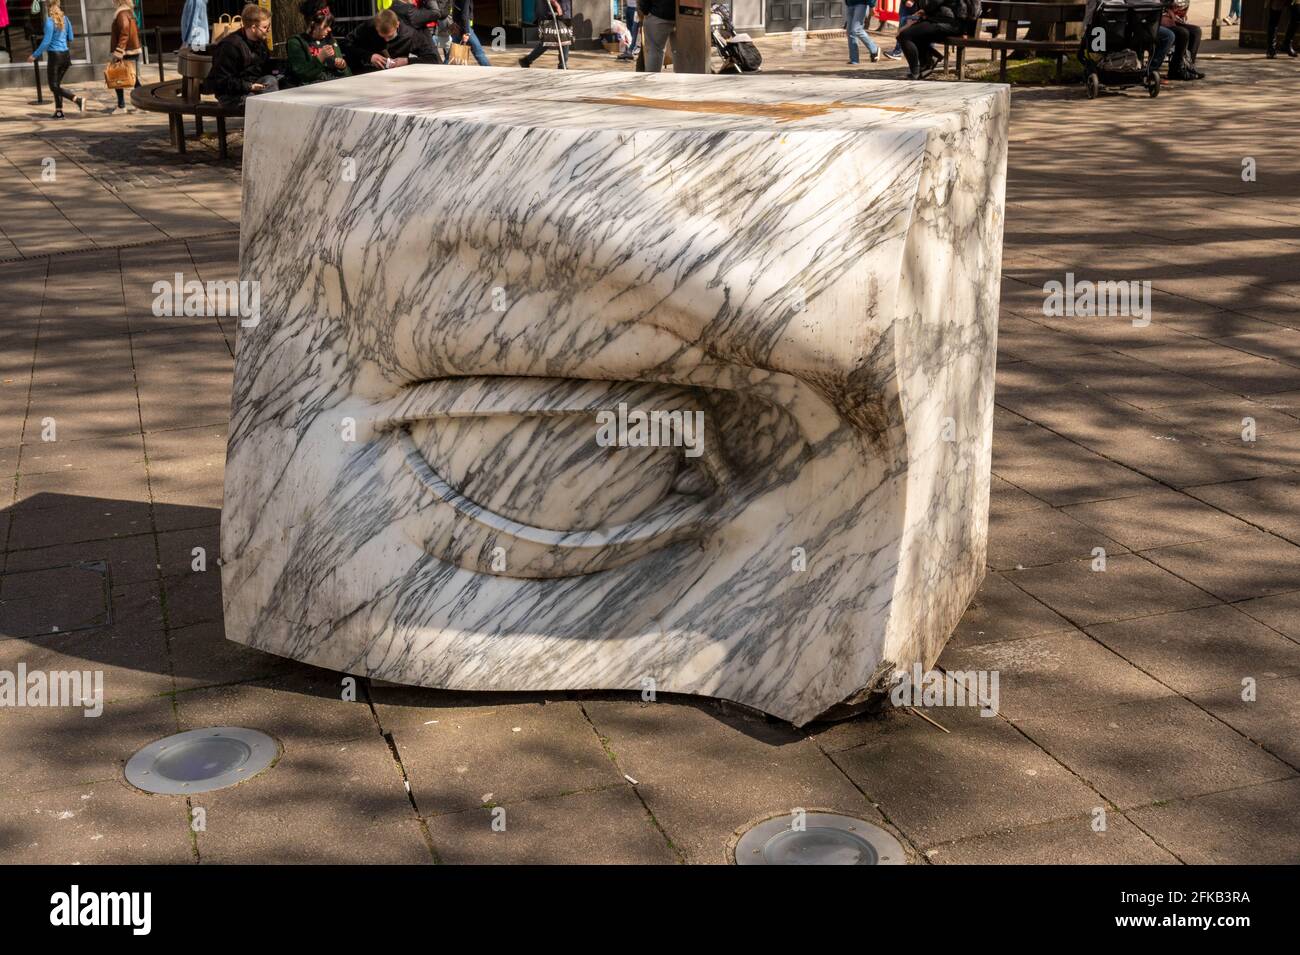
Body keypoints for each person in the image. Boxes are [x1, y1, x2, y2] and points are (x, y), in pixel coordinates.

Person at [202, 4, 278, 108]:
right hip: (231, 96)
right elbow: (221, 81)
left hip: (253, 88)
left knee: (283, 83)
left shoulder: (260, 42)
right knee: (271, 84)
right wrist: (249, 86)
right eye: (265, 27)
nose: (268, 30)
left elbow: (263, 67)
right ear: (253, 28)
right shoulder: (230, 46)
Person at [30, 0, 83, 118]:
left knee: (53, 86)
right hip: (66, 56)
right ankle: (59, 111)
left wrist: (35, 55)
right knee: (57, 85)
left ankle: (77, 99)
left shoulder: (49, 21)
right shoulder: (66, 19)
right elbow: (71, 37)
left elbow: (46, 42)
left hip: (55, 57)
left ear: (48, 6)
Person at [347, 7, 438, 73]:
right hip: (367, 73)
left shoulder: (410, 35)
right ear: (376, 27)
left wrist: (407, 61)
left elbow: (432, 58)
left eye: (390, 36)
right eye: (381, 36)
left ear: (397, 25)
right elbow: (347, 43)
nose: (386, 40)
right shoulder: (368, 27)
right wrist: (369, 56)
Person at [286, 3, 350, 85]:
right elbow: (302, 74)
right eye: (325, 26)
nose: (329, 29)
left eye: (330, 25)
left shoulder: (330, 40)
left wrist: (342, 67)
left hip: (335, 85)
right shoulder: (296, 42)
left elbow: (347, 74)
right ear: (313, 25)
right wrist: (320, 58)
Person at [896, 0, 960, 79]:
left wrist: (924, 11)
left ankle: (916, 71)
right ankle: (929, 59)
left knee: (905, 35)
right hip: (937, 20)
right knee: (903, 34)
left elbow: (936, 2)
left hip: (948, 22)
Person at [109, 0, 142, 113]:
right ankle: (140, 104)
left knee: (117, 77)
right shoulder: (129, 12)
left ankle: (121, 106)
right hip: (131, 49)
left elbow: (125, 32)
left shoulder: (121, 13)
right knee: (134, 78)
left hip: (126, 51)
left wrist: (119, 51)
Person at [519, 0, 572, 68]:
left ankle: (527, 60)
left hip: (560, 12)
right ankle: (562, 64)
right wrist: (557, 5)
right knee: (560, 38)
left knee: (556, 39)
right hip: (553, 13)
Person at [1161, 0, 1203, 79]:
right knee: (1183, 33)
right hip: (1159, 21)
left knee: (1196, 31)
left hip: (1171, 18)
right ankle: (1175, 70)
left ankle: (1188, 66)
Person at [447, 0, 491, 66]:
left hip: (459, 26)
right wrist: (466, 32)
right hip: (464, 27)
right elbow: (464, 14)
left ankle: (443, 68)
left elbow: (456, 9)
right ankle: (489, 70)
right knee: (479, 52)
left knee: (451, 53)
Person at [638, 0, 675, 71]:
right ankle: (685, 80)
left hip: (658, 13)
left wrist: (644, 9)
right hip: (686, 12)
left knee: (655, 50)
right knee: (683, 53)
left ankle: (652, 80)